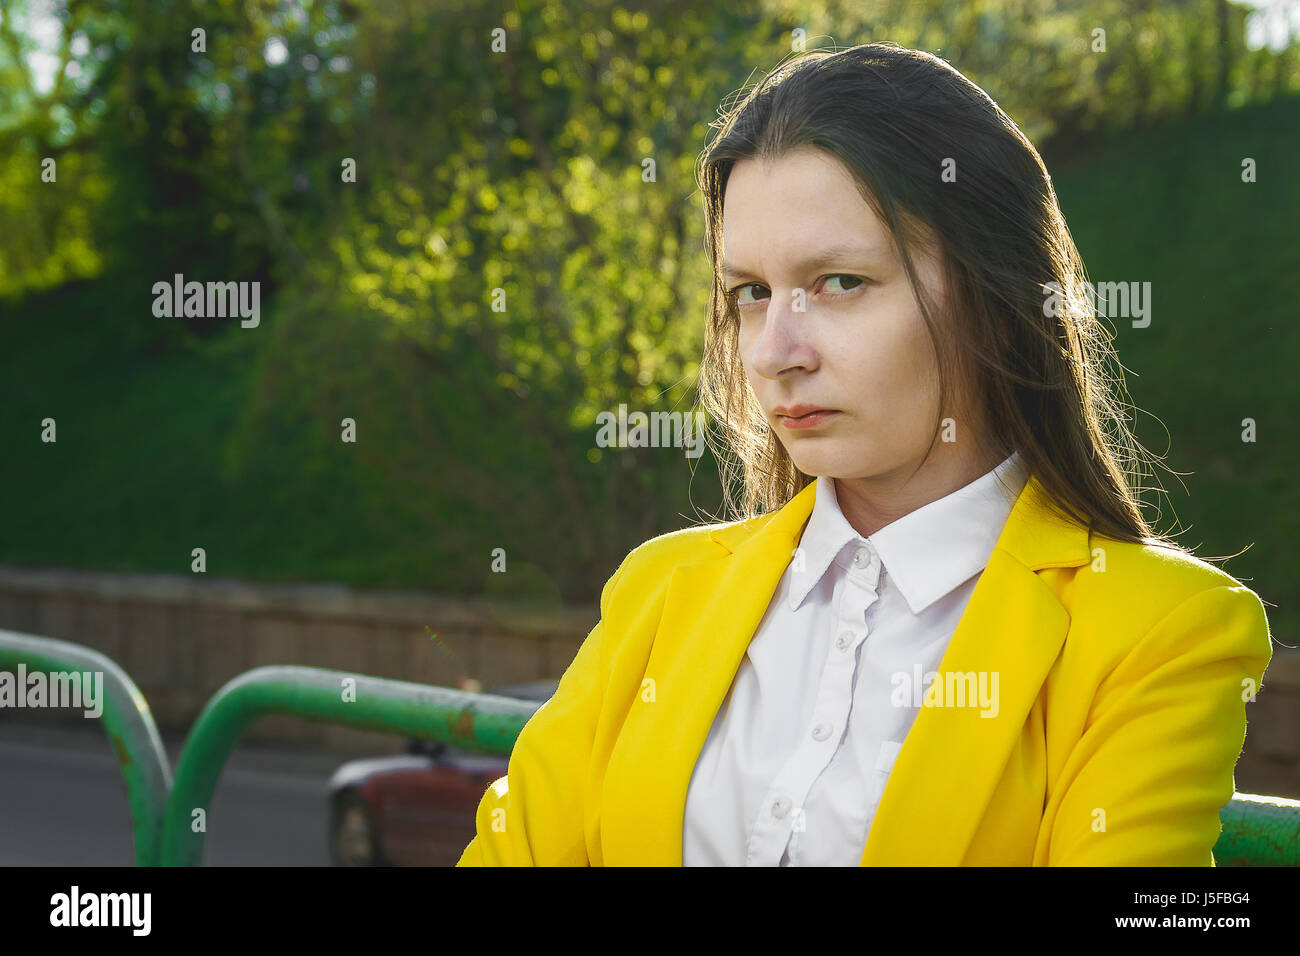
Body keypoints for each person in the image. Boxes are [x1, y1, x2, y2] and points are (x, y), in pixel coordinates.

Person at [457, 42, 1273, 866]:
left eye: (841, 282)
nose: (777, 350)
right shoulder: (659, 591)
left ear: (995, 298)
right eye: (751, 293)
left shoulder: (1164, 631)